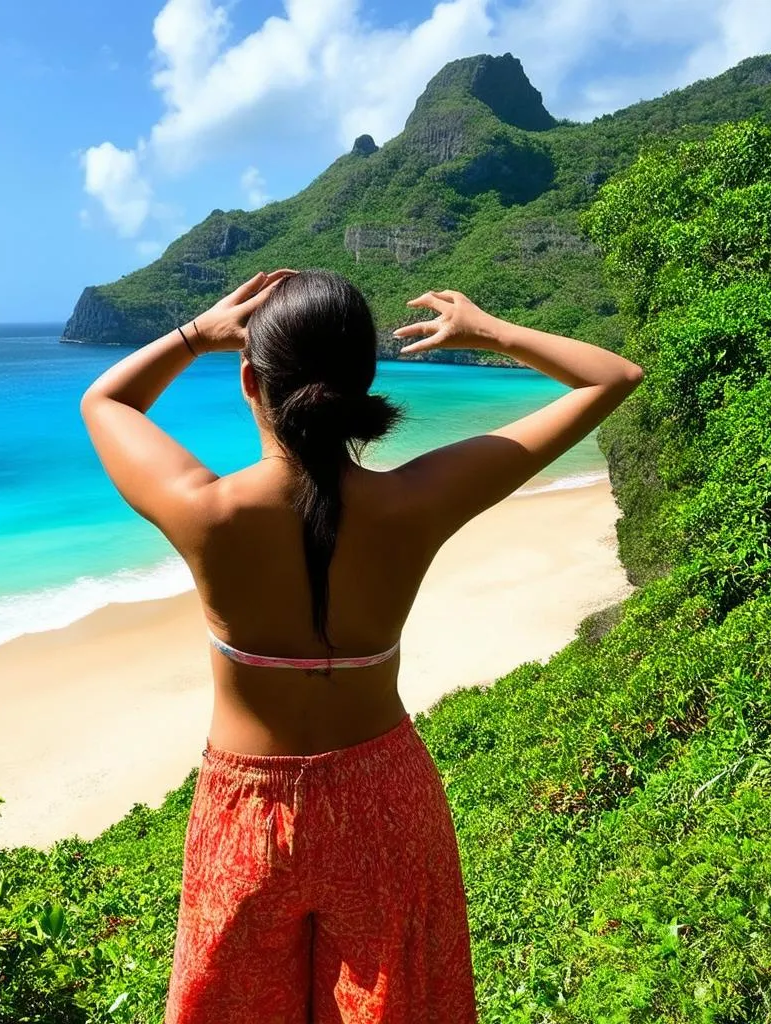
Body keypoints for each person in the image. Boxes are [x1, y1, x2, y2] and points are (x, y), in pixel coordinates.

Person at [80, 268, 644, 1023]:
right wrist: (490, 333)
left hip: (248, 811)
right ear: (361, 383)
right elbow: (612, 378)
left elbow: (106, 401)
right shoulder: (415, 501)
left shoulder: (204, 511)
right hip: (386, 801)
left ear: (250, 381)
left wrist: (196, 335)